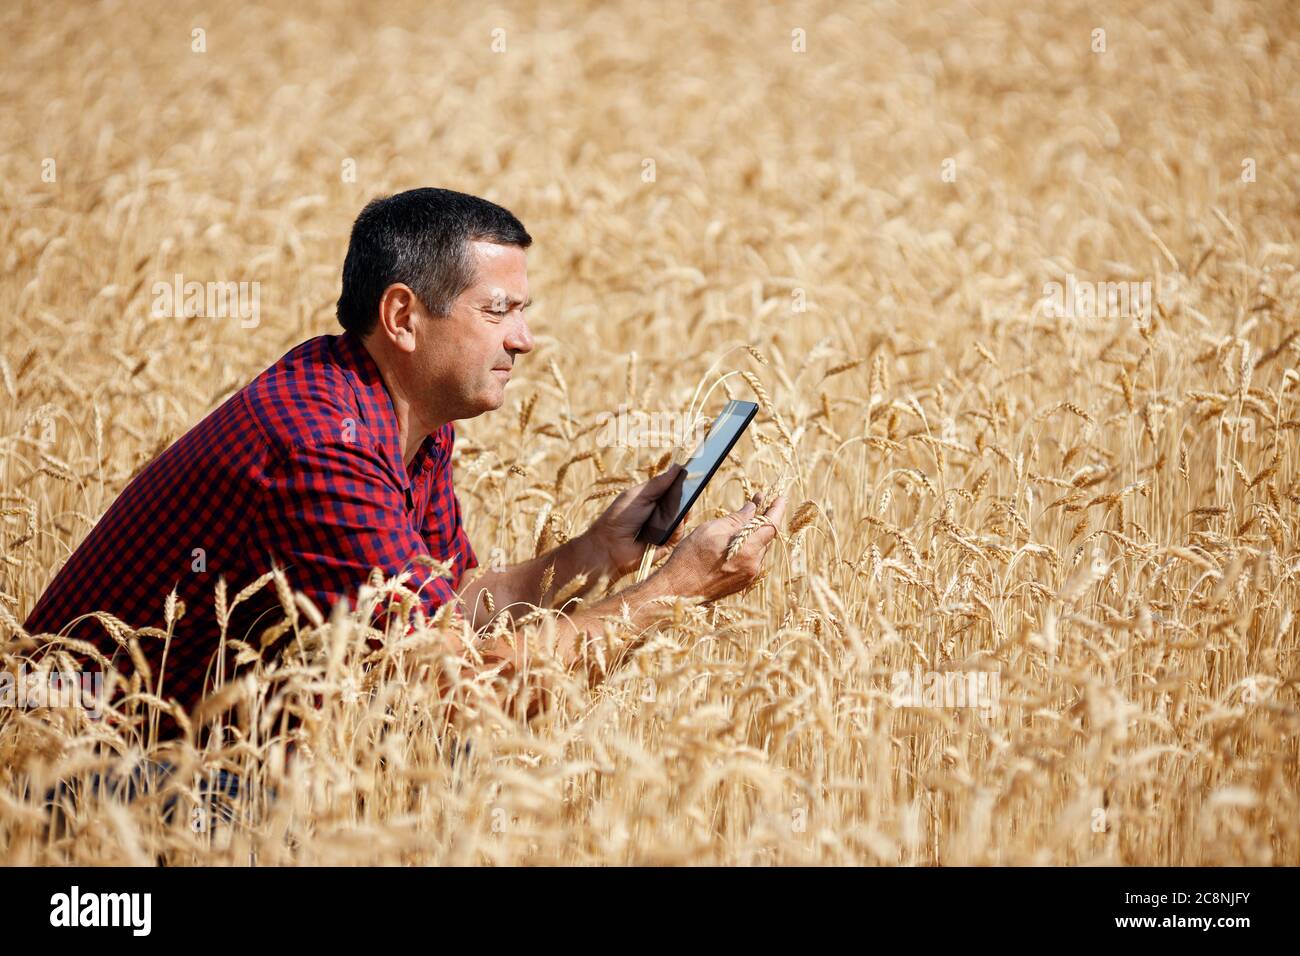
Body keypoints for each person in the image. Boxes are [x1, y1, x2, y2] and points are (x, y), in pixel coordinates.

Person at [21, 187, 787, 741]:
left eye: (523, 312)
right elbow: (463, 692)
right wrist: (679, 588)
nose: (523, 340)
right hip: (82, 771)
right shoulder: (323, 447)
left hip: (188, 751)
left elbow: (444, 611)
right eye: (498, 312)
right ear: (402, 317)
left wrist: (597, 553)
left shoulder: (405, 416)